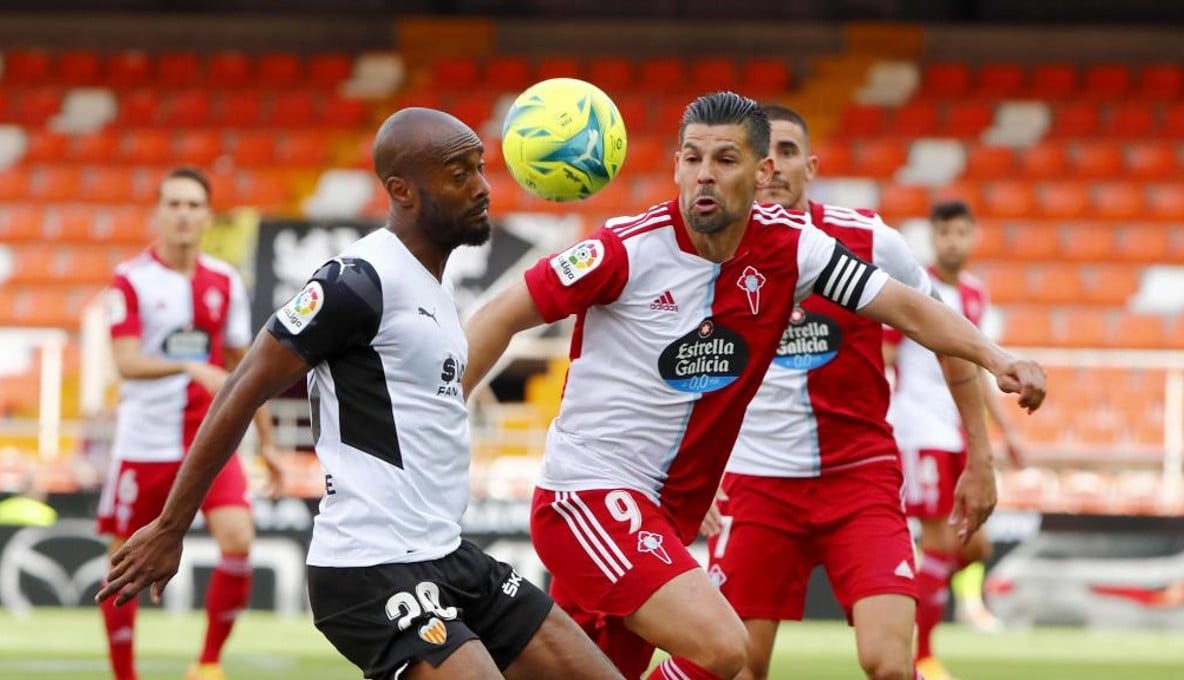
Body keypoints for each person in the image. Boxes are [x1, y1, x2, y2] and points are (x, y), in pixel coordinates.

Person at [462, 92, 1046, 680]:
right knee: (724, 651)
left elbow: (907, 308)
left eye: (724, 160)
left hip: (670, 512)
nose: (704, 176)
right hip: (589, 496)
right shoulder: (625, 248)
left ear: (762, 171)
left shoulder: (794, 248)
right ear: (676, 167)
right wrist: (438, 415)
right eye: (692, 159)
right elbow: (500, 314)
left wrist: (996, 358)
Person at [96, 108, 623, 680]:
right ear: (403, 191)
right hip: (370, 567)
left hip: (447, 553)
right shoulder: (357, 280)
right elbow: (242, 385)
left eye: (479, 168)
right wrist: (172, 526)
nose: (481, 188)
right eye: (458, 174)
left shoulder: (433, 283)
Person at [699, 105, 1005, 680]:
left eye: (788, 152)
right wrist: (695, 471)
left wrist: (981, 454)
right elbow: (686, 373)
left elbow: (944, 337)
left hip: (858, 480)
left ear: (811, 165)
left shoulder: (867, 238)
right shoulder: (708, 252)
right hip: (758, 486)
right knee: (736, 666)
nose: (774, 166)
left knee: (890, 664)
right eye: (762, 154)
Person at [95, 166, 285, 680]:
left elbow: (249, 369)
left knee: (239, 537)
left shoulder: (225, 282)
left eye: (193, 205)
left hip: (210, 440)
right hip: (145, 443)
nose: (183, 214)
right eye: (174, 204)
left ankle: (207, 665)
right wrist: (188, 366)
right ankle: (124, 674)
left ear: (207, 216)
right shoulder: (130, 279)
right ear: (158, 213)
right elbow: (127, 361)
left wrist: (266, 443)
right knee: (123, 566)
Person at [885, 200, 1026, 680]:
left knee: (976, 545)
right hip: (918, 430)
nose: (953, 242)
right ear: (933, 236)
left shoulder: (973, 294)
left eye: (961, 233)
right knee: (944, 540)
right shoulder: (913, 289)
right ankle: (921, 654)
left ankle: (927, 600)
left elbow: (972, 365)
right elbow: (884, 356)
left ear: (972, 237)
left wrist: (1005, 433)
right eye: (944, 233)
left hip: (957, 430)